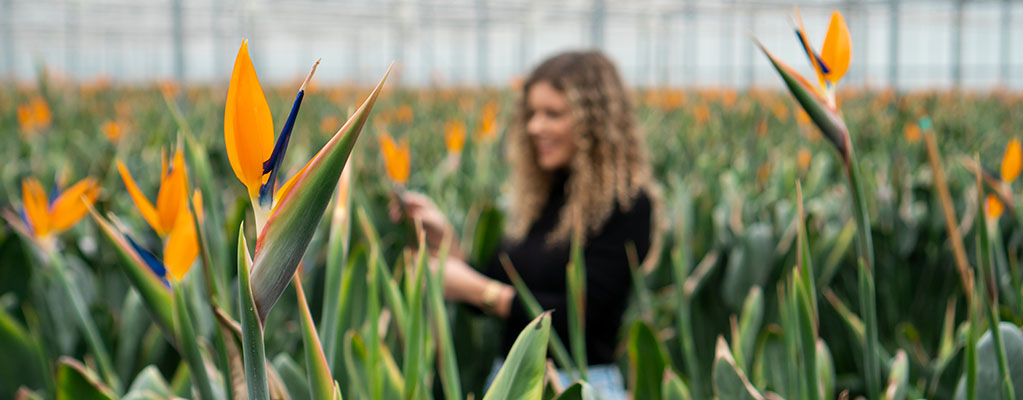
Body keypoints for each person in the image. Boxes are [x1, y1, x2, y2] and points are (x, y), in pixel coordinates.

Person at [394, 50, 661, 398]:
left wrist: (478, 290)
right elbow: (498, 286)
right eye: (532, 113)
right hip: (509, 381)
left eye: (553, 114)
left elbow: (583, 316)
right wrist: (448, 246)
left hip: (577, 385)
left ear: (595, 122)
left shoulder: (627, 203)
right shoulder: (541, 198)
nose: (535, 127)